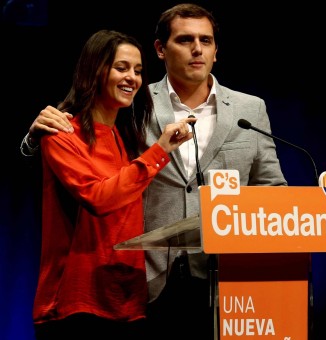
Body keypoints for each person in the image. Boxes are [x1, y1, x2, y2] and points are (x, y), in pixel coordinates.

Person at [21, 3, 288, 339]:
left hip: (225, 283)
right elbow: (82, 162)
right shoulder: (134, 104)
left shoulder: (251, 109)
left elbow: (272, 189)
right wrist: (32, 139)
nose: (197, 49)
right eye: (185, 39)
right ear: (162, 49)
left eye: (206, 41)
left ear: (216, 51)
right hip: (145, 284)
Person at [31, 29, 195, 340]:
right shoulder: (62, 132)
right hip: (77, 304)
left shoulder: (126, 138)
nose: (132, 78)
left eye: (138, 70)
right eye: (121, 67)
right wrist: (159, 151)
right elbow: (99, 198)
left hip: (128, 302)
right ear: (95, 69)